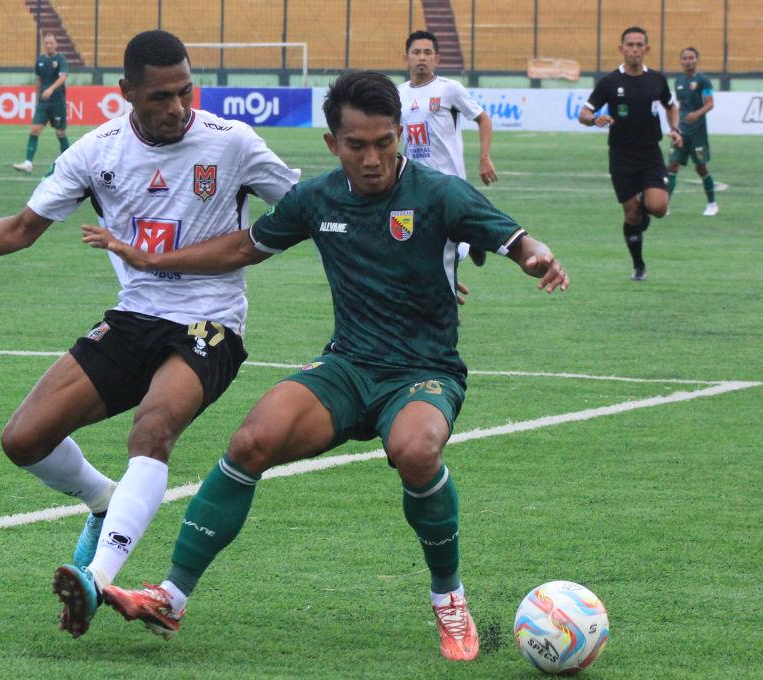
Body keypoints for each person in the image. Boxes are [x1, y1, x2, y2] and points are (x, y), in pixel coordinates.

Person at [81, 70, 569, 662]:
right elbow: (243, 246)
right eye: (357, 145)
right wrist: (151, 259)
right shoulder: (316, 197)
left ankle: (449, 597)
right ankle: (171, 597)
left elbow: (516, 240)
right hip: (347, 366)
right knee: (250, 440)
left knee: (416, 451)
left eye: (385, 142)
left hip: (423, 371)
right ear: (332, 144)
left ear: (402, 137)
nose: (372, 158)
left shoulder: (440, 194)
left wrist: (536, 256)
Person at [0, 30, 300, 638]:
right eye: (161, 96)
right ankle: (103, 500)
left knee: (153, 429)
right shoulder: (97, 151)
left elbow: (306, 210)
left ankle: (98, 574)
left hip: (210, 321)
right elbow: (24, 228)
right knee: (23, 439)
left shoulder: (231, 143)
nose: (177, 107)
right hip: (134, 316)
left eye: (185, 91)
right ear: (127, 92)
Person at [580, 26, 680, 281]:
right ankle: (639, 266)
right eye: (630, 44)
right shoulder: (610, 82)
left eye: (639, 45)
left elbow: (671, 106)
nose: (634, 49)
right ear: (621, 48)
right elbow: (584, 113)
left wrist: (675, 129)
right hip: (621, 157)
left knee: (657, 207)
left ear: (646, 49)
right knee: (632, 214)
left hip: (650, 154)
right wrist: (594, 120)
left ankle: (645, 202)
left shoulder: (656, 79)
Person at [398, 30, 497, 267]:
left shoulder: (449, 89)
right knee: (414, 242)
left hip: (448, 180)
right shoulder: (398, 93)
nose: (422, 57)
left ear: (437, 59)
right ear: (406, 58)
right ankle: (469, 242)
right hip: (413, 180)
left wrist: (484, 158)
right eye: (416, 52)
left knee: (446, 248)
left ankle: (468, 243)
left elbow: (483, 119)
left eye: (427, 53)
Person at [667, 47, 717, 216]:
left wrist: (696, 114)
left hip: (697, 133)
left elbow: (710, 103)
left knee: (700, 168)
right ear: (681, 61)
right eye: (685, 58)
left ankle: (712, 204)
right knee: (672, 165)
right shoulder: (679, 81)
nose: (688, 61)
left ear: (696, 60)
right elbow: (680, 105)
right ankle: (665, 205)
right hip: (681, 131)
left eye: (691, 58)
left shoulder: (703, 80)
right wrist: (675, 126)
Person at [12, 33, 69, 174]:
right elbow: (38, 80)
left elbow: (63, 78)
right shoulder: (40, 60)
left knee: (60, 132)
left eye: (51, 42)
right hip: (43, 103)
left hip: (57, 102)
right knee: (34, 130)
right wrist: (38, 97)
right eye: (47, 43)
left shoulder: (60, 59)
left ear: (56, 44)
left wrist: (50, 89)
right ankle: (28, 163)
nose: (49, 45)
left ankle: (70, 163)